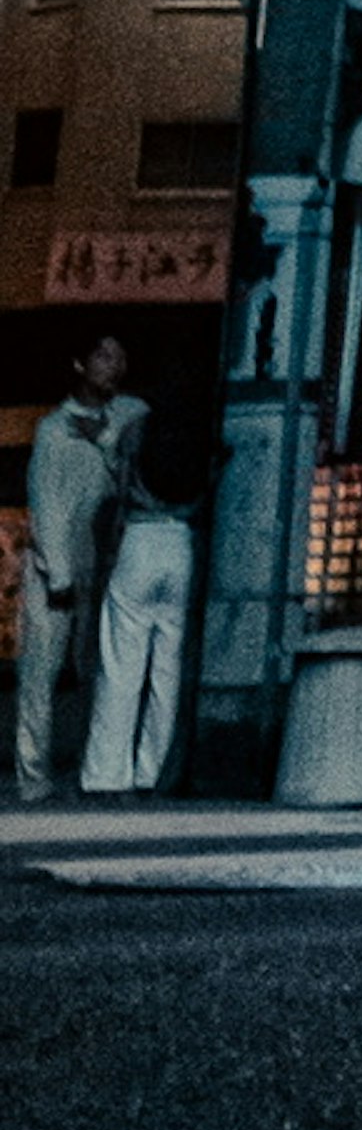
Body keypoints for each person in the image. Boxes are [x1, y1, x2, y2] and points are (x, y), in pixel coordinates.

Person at [15, 325, 143, 800]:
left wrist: (105, 437)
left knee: (99, 672)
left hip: (106, 566)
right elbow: (45, 502)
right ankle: (34, 777)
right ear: (80, 364)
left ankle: (93, 770)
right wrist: (59, 574)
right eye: (105, 356)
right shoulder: (53, 431)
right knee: (40, 676)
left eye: (119, 357)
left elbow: (136, 468)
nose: (114, 366)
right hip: (56, 569)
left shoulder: (129, 415)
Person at [81, 414, 200, 799]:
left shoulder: (138, 427)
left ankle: (106, 776)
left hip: (141, 536)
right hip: (181, 541)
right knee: (168, 671)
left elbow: (121, 480)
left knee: (121, 666)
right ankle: (153, 773)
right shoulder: (199, 432)